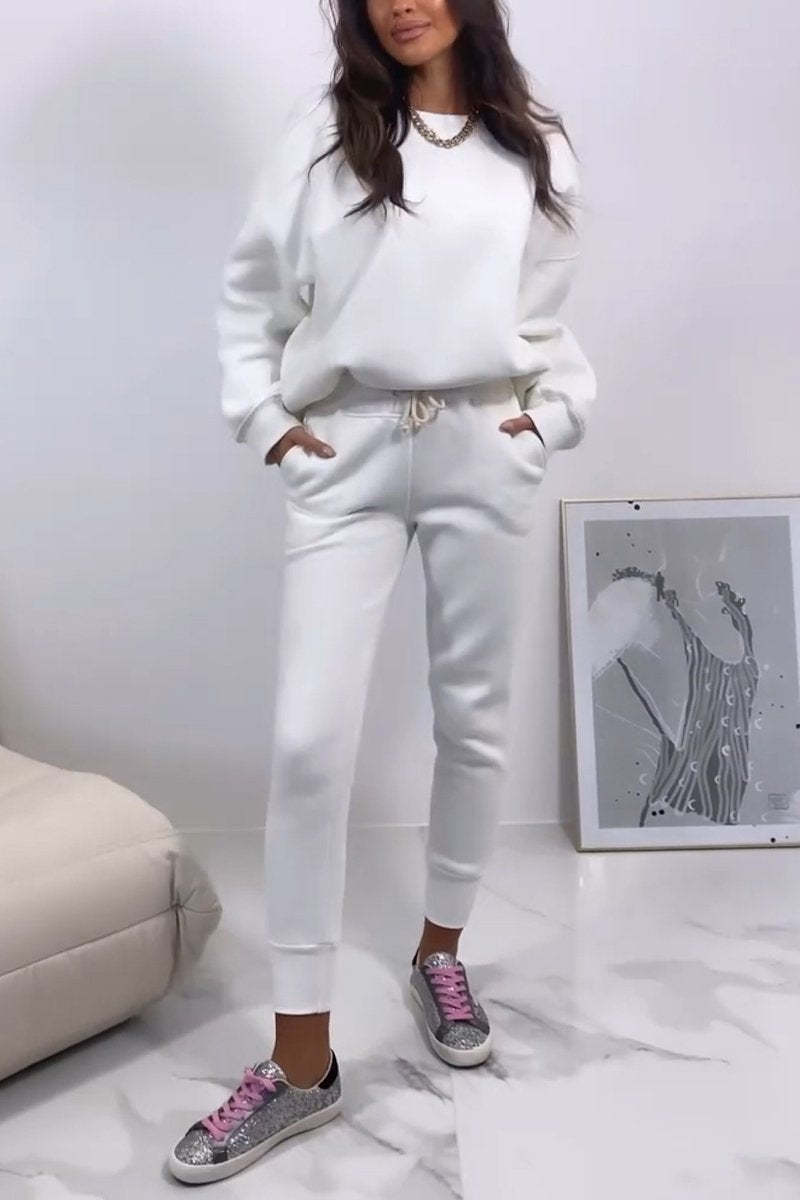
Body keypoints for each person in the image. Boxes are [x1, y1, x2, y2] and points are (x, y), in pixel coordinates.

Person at [168, 0, 596, 1184]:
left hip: (480, 447)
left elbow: (544, 319)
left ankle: (437, 953)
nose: (402, 2)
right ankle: (301, 1062)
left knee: (474, 720)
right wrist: (266, 421)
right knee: (309, 743)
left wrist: (545, 421)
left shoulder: (531, 144)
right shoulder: (323, 131)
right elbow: (250, 294)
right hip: (346, 452)